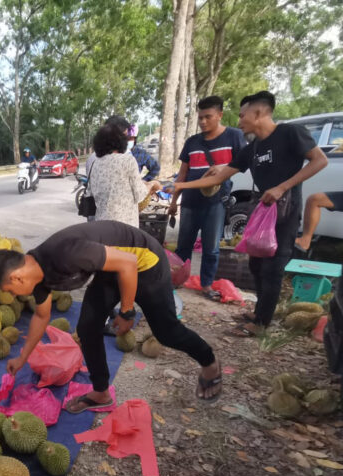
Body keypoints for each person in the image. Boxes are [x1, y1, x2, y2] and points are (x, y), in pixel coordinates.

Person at [0, 221, 222, 407]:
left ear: (16, 277)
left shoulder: (65, 253)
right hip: (111, 267)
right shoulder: (37, 276)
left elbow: (128, 263)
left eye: (10, 290)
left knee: (167, 332)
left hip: (144, 261)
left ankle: (209, 362)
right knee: (88, 327)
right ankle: (100, 393)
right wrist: (22, 358)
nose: (14, 296)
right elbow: (41, 316)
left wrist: (127, 313)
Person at [167, 91, 328, 336]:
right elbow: (221, 176)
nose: (239, 121)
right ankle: (259, 312)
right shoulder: (253, 147)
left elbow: (320, 160)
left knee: (273, 267)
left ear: (259, 113)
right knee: (256, 264)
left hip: (285, 209)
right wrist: (179, 186)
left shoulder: (289, 133)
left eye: (243, 116)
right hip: (262, 209)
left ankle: (261, 323)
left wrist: (283, 186)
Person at [168, 96, 247, 301]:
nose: (203, 122)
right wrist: (174, 202)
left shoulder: (234, 136)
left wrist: (223, 169)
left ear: (220, 115)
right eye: (200, 117)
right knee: (183, 246)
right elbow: (182, 175)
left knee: (211, 248)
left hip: (216, 202)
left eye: (208, 117)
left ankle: (206, 285)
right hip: (190, 202)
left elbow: (242, 165)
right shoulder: (192, 142)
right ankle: (175, 281)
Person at [87, 124, 161, 227]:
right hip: (125, 227)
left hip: (101, 225)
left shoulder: (96, 163)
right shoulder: (127, 160)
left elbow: (92, 193)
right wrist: (152, 184)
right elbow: (139, 195)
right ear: (121, 142)